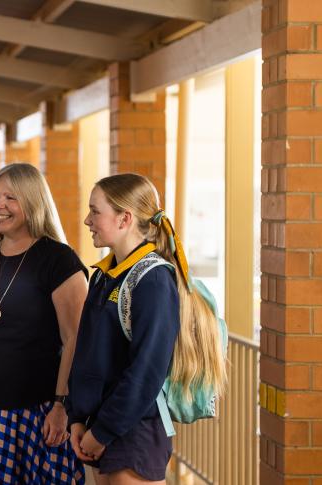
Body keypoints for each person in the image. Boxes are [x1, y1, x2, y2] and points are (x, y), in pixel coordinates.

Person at [67, 174, 226, 484]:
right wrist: (77, 418)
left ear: (125, 218)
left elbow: (146, 372)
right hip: (101, 427)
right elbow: (86, 354)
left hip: (133, 432)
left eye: (95, 211)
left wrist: (102, 432)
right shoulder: (103, 275)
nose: (88, 220)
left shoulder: (153, 281)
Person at [0, 162, 89, 484]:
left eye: (11, 197)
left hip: (39, 411)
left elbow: (75, 338)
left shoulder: (58, 260)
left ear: (33, 202)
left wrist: (62, 406)